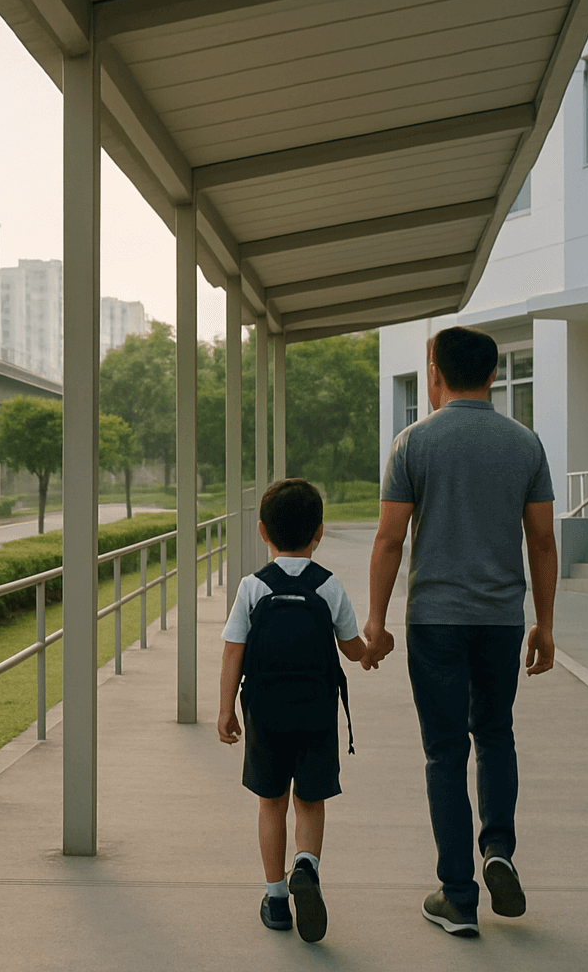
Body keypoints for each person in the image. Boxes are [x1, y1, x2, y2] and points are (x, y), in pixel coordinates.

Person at [361, 325, 558, 939]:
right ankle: (498, 849)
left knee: (444, 752)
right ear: (493, 375)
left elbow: (391, 537)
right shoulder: (525, 445)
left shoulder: (412, 443)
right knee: (495, 734)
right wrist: (545, 625)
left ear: (435, 375)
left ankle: (458, 896)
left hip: (436, 621)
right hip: (501, 620)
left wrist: (376, 620)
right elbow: (543, 539)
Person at [218, 478, 368, 943]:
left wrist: (225, 710)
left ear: (263, 531)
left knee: (272, 802)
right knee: (310, 799)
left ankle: (277, 899)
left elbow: (232, 652)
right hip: (316, 712)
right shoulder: (329, 587)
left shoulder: (251, 588)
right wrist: (371, 650)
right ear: (318, 532)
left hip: (265, 712)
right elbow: (350, 648)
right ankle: (307, 864)